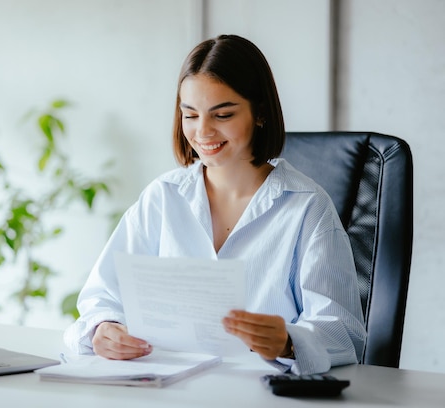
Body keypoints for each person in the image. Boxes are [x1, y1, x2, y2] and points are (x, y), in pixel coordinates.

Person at [63, 34, 366, 375]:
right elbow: (101, 297)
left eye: (222, 114)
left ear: (260, 113)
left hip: (262, 398)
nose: (203, 131)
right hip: (164, 391)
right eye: (190, 115)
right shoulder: (162, 197)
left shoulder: (307, 208)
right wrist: (103, 328)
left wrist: (289, 341)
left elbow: (345, 335)